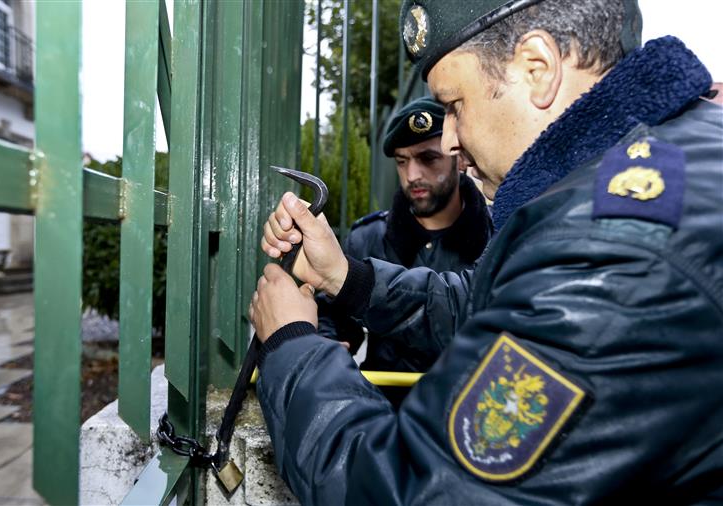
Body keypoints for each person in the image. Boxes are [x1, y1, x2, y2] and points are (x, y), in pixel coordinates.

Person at [250, 0, 723, 503]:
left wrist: (291, 344)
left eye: (454, 105)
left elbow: (405, 492)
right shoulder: (662, 161)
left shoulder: (613, 251)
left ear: (536, 68)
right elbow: (482, 307)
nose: (450, 139)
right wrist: (345, 276)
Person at [317, 97, 491, 399]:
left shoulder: (495, 238)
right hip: (384, 414)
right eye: (401, 161)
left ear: (458, 157)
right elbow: (332, 317)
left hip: (467, 415)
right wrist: (328, 343)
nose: (412, 176)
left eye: (428, 158)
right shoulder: (368, 238)